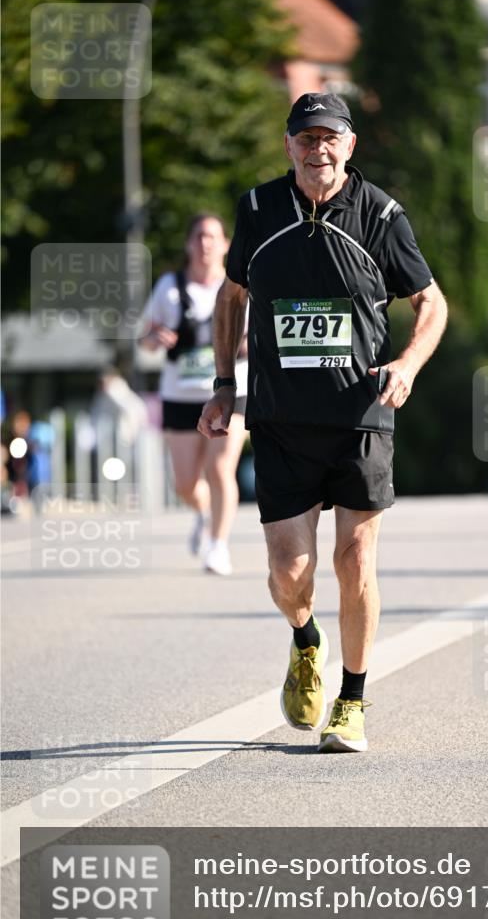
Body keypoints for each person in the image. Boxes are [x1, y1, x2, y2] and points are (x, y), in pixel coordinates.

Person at [198, 93, 447, 752]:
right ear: (289, 147)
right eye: (306, 138)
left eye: (330, 138)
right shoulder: (257, 209)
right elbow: (232, 297)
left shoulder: (380, 214)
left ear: (350, 145)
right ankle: (306, 640)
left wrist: (408, 364)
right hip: (280, 417)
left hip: (359, 416)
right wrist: (224, 386)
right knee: (288, 572)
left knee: (354, 554)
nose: (318, 149)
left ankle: (353, 700)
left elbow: (431, 302)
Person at [139, 213, 248, 575]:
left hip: (230, 391)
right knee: (186, 484)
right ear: (189, 244)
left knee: (220, 469)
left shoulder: (239, 287)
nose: (205, 243)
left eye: (213, 237)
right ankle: (202, 512)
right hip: (180, 395)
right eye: (199, 236)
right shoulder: (170, 288)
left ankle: (218, 546)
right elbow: (145, 338)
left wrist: (247, 344)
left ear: (226, 245)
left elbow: (260, 334)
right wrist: (154, 340)